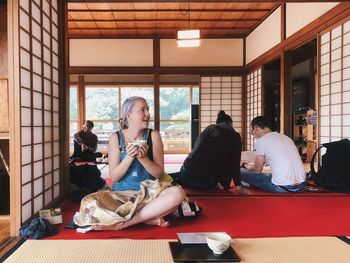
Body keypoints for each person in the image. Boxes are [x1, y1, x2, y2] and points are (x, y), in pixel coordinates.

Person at [92, 96, 184, 229]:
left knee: (177, 193)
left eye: (148, 110)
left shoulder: (153, 136)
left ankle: (124, 223)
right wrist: (130, 156)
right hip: (121, 196)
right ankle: (148, 217)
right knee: (88, 202)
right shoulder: (116, 138)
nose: (148, 114)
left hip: (150, 194)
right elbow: (114, 176)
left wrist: (143, 158)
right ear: (129, 115)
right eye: (143, 110)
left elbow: (159, 173)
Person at [171, 110, 248, 195]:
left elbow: (194, 152)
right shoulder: (235, 136)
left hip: (185, 172)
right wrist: (236, 185)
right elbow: (234, 162)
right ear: (230, 123)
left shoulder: (208, 130)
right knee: (224, 163)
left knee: (188, 173)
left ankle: (168, 178)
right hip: (205, 183)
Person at [240, 116, 306, 193]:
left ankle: (247, 181)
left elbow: (258, 170)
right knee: (269, 175)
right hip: (301, 185)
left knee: (240, 171)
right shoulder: (286, 138)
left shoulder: (261, 141)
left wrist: (246, 167)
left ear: (256, 127)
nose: (253, 133)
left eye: (252, 130)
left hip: (282, 187)